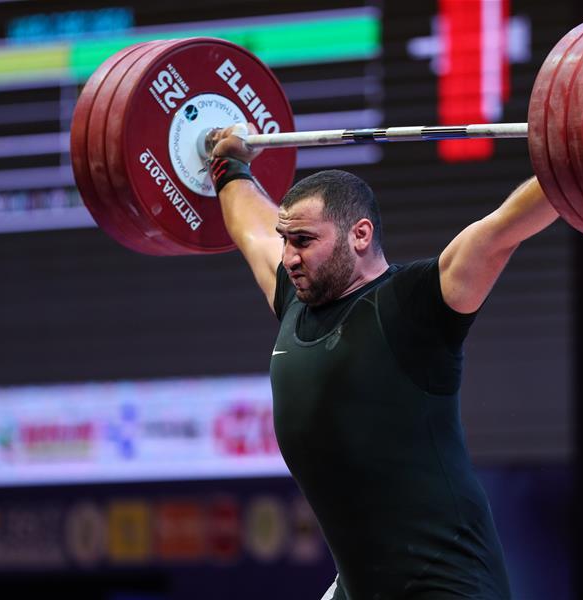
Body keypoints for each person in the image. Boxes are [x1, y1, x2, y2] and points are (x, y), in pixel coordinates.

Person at [208, 124, 559, 599]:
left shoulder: (416, 305)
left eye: (304, 241)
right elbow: (249, 227)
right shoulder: (295, 297)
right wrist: (228, 164)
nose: (289, 256)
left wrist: (582, 156)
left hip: (447, 588)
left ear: (360, 234)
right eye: (286, 240)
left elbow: (502, 230)